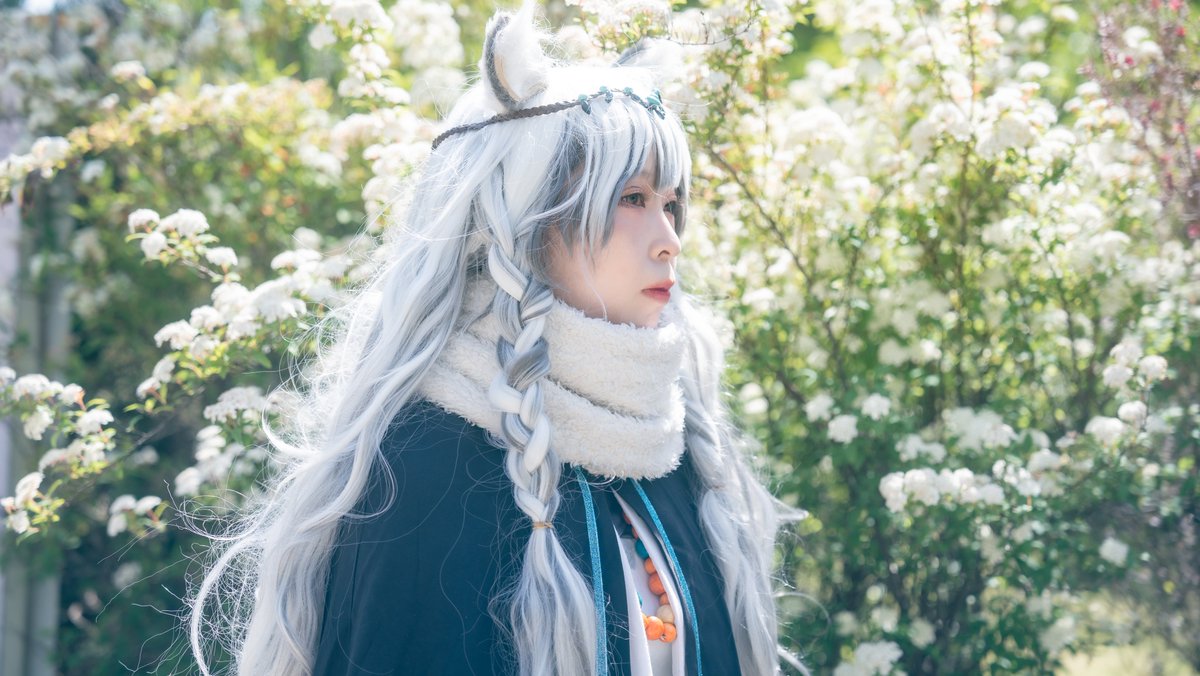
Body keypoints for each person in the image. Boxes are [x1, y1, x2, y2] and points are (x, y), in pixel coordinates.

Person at [190, 4, 789, 675]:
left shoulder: (667, 448)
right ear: (531, 221)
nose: (669, 240)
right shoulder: (428, 466)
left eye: (672, 204)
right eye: (632, 199)